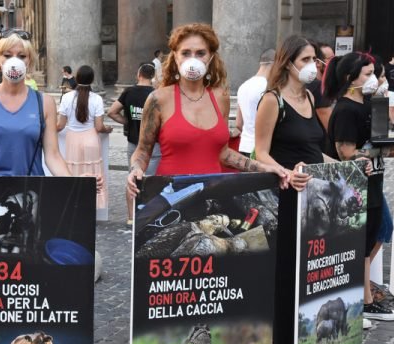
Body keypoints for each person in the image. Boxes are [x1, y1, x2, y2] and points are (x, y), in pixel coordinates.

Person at [254, 35, 351, 344]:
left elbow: (312, 152)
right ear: (288, 63)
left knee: (310, 266)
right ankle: (282, 336)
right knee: (286, 266)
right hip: (287, 195)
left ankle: (302, 331)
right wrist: (284, 172)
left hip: (314, 198)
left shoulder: (310, 98)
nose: (313, 66)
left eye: (315, 60)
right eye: (306, 60)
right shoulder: (272, 100)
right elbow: (261, 153)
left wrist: (344, 168)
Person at [127, 23, 288, 202]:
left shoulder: (221, 97)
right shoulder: (158, 99)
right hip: (171, 195)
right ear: (175, 57)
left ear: (210, 57)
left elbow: (223, 153)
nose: (192, 59)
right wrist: (136, 169)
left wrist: (264, 167)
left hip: (213, 196)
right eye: (186, 53)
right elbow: (143, 151)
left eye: (200, 53)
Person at [324, 52, 394, 324]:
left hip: (372, 182)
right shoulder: (345, 110)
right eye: (367, 74)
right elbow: (346, 154)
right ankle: (361, 298)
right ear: (350, 78)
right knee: (364, 243)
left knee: (377, 234)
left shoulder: (368, 105)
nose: (374, 79)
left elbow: (383, 148)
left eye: (375, 73)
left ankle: (362, 295)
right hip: (354, 189)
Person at [0, 29, 70, 177]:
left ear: (29, 61)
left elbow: (53, 156)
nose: (14, 61)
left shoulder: (44, 103)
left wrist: (76, 185)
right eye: (7, 55)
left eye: (22, 56)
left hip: (30, 193)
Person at [108, 62, 159, 224]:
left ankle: (131, 217)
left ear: (139, 75)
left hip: (133, 142)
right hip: (153, 145)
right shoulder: (157, 94)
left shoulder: (128, 92)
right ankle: (151, 216)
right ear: (153, 76)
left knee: (132, 179)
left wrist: (127, 122)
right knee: (151, 180)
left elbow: (111, 112)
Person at [57, 65, 112, 209]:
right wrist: (108, 129)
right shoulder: (97, 99)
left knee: (74, 173)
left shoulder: (67, 98)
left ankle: (75, 205)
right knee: (94, 175)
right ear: (92, 79)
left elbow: (60, 126)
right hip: (91, 139)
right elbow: (99, 127)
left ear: (77, 77)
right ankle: (92, 206)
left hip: (72, 139)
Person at [236, 48, 275, 157]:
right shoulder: (268, 88)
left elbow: (239, 123)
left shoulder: (243, 86)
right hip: (262, 149)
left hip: (244, 146)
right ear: (275, 65)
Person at [306, 41, 335, 130]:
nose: (334, 62)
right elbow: (331, 127)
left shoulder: (325, 85)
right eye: (330, 59)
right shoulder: (316, 86)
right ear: (318, 62)